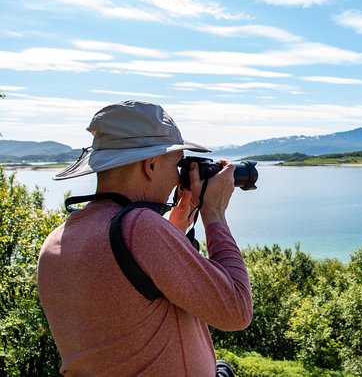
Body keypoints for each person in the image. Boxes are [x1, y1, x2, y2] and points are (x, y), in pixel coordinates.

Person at [37, 100, 253, 376]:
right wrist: (215, 214)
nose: (179, 179)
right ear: (150, 165)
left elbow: (131, 298)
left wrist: (176, 224)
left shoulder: (59, 240)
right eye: (176, 166)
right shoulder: (140, 228)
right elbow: (236, 310)